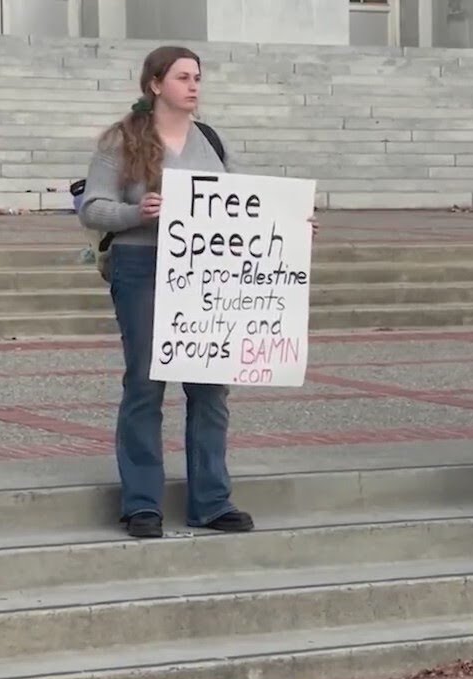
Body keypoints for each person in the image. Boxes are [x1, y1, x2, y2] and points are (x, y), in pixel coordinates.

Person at [78, 46, 318, 539]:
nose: (193, 86)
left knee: (210, 386)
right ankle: (142, 502)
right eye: (183, 77)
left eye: (198, 78)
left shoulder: (209, 139)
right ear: (155, 84)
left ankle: (211, 499)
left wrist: (289, 226)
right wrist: (135, 213)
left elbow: (244, 203)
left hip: (207, 271)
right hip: (142, 265)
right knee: (145, 382)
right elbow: (92, 206)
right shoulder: (121, 141)